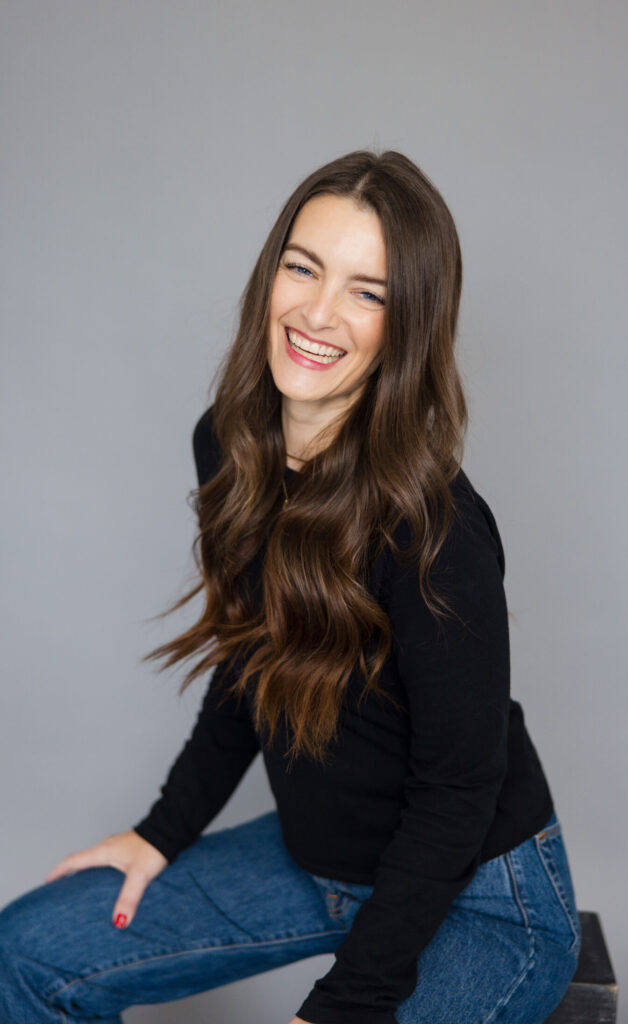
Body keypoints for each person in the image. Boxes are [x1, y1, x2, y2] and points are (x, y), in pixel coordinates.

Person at [0, 149, 581, 1024]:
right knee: (26, 952)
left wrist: (346, 1001)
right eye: (303, 268)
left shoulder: (436, 530)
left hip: (480, 892)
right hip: (320, 862)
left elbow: (457, 796)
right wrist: (163, 831)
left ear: (408, 324)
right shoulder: (229, 446)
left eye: (367, 292)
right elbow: (251, 657)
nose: (317, 312)